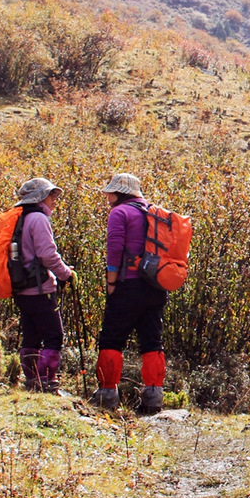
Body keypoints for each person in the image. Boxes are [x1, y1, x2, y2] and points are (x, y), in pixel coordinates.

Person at [93, 173, 168, 415]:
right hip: (155, 286)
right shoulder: (153, 211)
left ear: (119, 193)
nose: (107, 197)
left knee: (111, 339)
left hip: (128, 285)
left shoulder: (119, 213)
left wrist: (111, 282)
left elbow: (115, 249)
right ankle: (154, 397)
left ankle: (107, 394)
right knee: (152, 341)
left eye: (110, 193)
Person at [10, 177, 76, 392]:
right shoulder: (38, 219)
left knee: (31, 336)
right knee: (53, 336)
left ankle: (32, 381)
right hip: (40, 289)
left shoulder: (19, 218)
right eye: (51, 195)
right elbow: (47, 255)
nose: (54, 200)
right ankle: (47, 382)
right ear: (40, 198)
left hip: (22, 288)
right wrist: (66, 274)